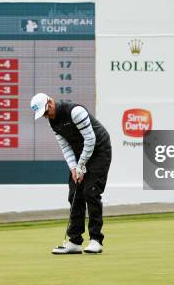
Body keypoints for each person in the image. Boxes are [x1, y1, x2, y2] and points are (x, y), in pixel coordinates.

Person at [30, 93, 112, 254]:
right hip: (80, 154)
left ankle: (96, 240)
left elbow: (90, 140)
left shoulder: (75, 112)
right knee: (74, 194)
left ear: (50, 103)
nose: (46, 117)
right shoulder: (53, 122)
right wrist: (74, 168)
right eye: (43, 115)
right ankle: (75, 242)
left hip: (99, 150)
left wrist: (81, 165)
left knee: (91, 192)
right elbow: (65, 147)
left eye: (46, 113)